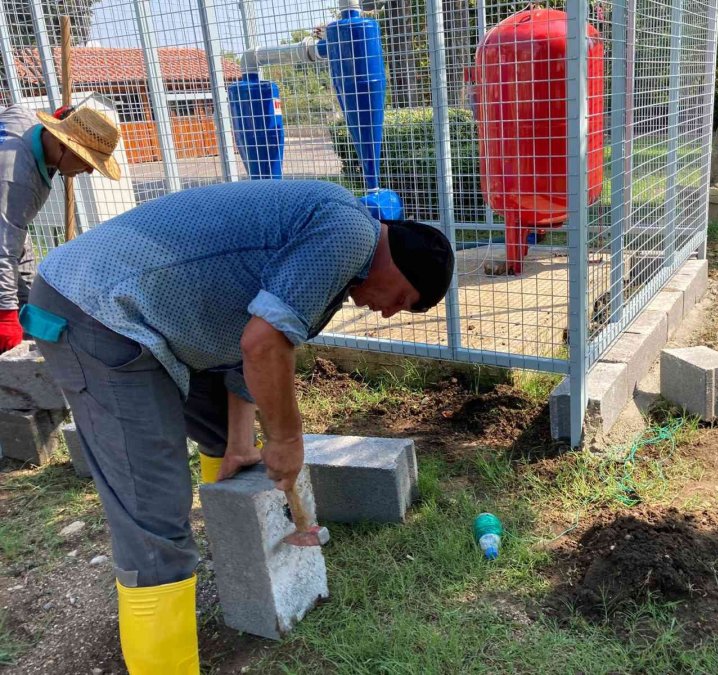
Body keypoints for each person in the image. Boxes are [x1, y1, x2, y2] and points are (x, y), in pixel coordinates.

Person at [21, 179, 454, 674]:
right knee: (154, 521)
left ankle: (234, 557)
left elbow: (241, 353)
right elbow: (263, 344)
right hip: (95, 310)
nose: (391, 310)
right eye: (405, 298)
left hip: (146, 315)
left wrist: (241, 442)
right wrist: (287, 439)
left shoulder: (340, 260)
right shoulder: (350, 234)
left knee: (224, 440)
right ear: (398, 262)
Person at [0, 103, 121, 352]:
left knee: (30, 303)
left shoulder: (25, 118)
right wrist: (6, 313)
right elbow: (3, 249)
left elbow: (13, 232)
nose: (88, 170)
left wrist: (29, 299)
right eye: (86, 160)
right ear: (63, 144)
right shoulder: (18, 181)